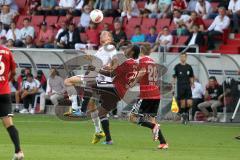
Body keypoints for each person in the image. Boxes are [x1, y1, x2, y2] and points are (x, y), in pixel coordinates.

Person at [64, 31, 118, 145]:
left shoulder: (110, 46)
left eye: (105, 33)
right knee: (95, 108)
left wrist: (111, 67)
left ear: (110, 37)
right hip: (99, 79)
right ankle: (103, 135)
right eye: (101, 34)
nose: (102, 34)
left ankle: (77, 109)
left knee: (68, 81)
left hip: (100, 79)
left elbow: (115, 61)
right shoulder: (101, 49)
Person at [129, 44, 168, 149]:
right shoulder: (153, 62)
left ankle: (153, 126)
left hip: (146, 95)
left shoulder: (142, 61)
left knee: (132, 117)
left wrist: (133, 82)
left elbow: (142, 73)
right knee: (151, 119)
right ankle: (163, 143)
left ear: (141, 50)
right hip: (156, 94)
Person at [0, 45, 24, 159]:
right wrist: (5, 81)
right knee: (9, 124)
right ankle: (18, 151)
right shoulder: (7, 51)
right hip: (4, 93)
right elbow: (14, 72)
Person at [172, 52, 194, 124]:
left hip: (187, 86)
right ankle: (184, 117)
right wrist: (173, 85)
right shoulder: (177, 67)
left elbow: (191, 76)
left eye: (184, 57)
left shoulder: (189, 67)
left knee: (190, 103)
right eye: (181, 57)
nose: (182, 58)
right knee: (183, 103)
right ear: (180, 57)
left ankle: (182, 113)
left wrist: (192, 84)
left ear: (186, 57)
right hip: (180, 86)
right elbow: (174, 77)